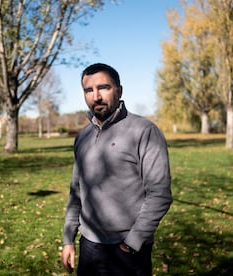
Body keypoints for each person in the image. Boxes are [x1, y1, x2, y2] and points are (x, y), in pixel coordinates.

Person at [61, 63, 172, 275]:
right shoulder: (82, 136)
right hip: (89, 247)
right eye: (88, 90)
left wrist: (133, 242)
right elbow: (76, 191)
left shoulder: (144, 131)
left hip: (127, 251)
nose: (96, 97)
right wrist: (68, 239)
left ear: (119, 90)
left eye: (103, 88)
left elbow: (160, 193)